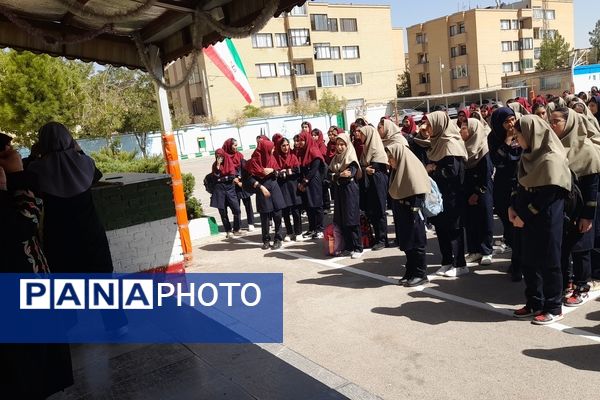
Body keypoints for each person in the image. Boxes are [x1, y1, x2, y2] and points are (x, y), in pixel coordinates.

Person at [0, 148, 74, 399]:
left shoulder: (41, 169)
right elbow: (25, 222)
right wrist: (17, 176)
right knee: (27, 359)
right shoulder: (80, 163)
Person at [27, 122, 113, 273]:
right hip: (91, 233)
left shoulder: (36, 169)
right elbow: (97, 175)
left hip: (59, 237)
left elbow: (22, 176)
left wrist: (33, 155)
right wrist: (79, 151)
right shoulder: (85, 163)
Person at [510, 115, 571, 325]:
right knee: (528, 261)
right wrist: (512, 207)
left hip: (546, 218)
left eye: (519, 134)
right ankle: (534, 301)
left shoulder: (551, 157)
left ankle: (553, 307)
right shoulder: (528, 156)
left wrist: (524, 215)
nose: (516, 139)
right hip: (526, 217)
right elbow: (518, 184)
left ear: (531, 134)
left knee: (549, 262)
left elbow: (549, 194)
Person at [549, 107, 600, 306]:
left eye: (556, 121)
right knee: (563, 247)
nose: (552, 125)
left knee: (580, 249)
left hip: (580, 207)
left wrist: (588, 215)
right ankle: (566, 282)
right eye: (550, 121)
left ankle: (582, 286)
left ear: (569, 123)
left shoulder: (586, 149)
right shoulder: (553, 146)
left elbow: (592, 186)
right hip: (562, 208)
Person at [420, 111, 469, 277]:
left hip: (452, 195)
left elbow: (453, 172)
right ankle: (447, 262)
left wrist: (433, 169)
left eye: (430, 124)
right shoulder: (436, 143)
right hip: (439, 197)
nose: (426, 128)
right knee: (441, 229)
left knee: (454, 229)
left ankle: (460, 264)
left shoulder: (450, 143)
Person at [385, 142, 431, 286]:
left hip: (412, 212)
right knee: (407, 243)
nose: (389, 161)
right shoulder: (397, 170)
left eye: (391, 158)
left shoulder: (411, 169)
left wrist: (414, 212)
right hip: (401, 211)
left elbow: (418, 192)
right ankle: (410, 271)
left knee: (416, 243)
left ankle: (421, 273)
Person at [489, 107, 523, 281]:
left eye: (512, 119)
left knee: (519, 226)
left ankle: (518, 264)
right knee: (508, 225)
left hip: (521, 183)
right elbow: (497, 159)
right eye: (506, 121)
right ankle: (516, 259)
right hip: (503, 186)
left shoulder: (522, 132)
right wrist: (508, 140)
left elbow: (523, 155)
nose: (511, 124)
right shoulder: (493, 137)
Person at [460, 118, 495, 267]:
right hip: (467, 190)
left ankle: (487, 251)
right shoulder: (463, 147)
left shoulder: (483, 150)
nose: (461, 131)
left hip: (482, 189)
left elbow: (486, 174)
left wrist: (477, 193)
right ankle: (474, 250)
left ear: (473, 130)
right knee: (470, 220)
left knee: (484, 219)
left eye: (464, 128)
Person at [245, 139, 285, 250]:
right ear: (264, 149)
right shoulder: (253, 161)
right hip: (262, 189)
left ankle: (278, 238)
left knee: (277, 215)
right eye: (271, 148)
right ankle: (266, 239)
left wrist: (272, 170)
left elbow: (279, 172)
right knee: (265, 217)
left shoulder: (272, 158)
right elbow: (249, 179)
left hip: (274, 188)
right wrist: (260, 187)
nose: (273, 150)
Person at [328, 132, 363, 259]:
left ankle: (358, 247)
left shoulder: (351, 158)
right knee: (342, 220)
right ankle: (348, 247)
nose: (340, 147)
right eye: (338, 144)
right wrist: (338, 175)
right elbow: (328, 175)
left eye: (342, 144)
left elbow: (349, 174)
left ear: (347, 145)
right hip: (339, 192)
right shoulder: (335, 159)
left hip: (350, 191)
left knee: (352, 219)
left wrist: (336, 177)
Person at [357, 125, 390, 250]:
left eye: (363, 134)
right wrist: (366, 169)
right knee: (372, 211)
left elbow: (379, 167)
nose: (360, 136)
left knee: (380, 211)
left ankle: (383, 239)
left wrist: (368, 169)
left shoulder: (377, 149)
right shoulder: (366, 148)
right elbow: (364, 166)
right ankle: (377, 238)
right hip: (370, 184)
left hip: (378, 183)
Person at [295, 130, 326, 239]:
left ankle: (320, 229)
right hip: (305, 181)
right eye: (300, 140)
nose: (301, 142)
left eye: (303, 140)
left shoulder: (313, 150)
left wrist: (305, 181)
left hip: (313, 181)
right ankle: (312, 228)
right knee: (309, 206)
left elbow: (314, 168)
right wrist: (302, 182)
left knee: (317, 205)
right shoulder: (302, 152)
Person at [223, 138, 255, 232]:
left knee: (248, 204)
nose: (236, 147)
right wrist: (234, 179)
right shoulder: (225, 158)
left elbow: (244, 169)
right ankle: (238, 225)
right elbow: (225, 171)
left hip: (242, 184)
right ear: (229, 146)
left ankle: (251, 223)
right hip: (232, 185)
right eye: (234, 145)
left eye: (237, 145)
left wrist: (240, 178)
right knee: (236, 206)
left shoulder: (240, 156)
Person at [208, 148, 242, 238]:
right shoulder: (215, 165)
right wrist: (218, 167)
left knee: (236, 210)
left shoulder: (229, 163)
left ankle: (236, 229)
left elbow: (231, 176)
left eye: (220, 156)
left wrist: (221, 179)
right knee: (223, 212)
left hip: (230, 189)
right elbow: (215, 177)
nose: (219, 158)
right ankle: (228, 230)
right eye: (217, 156)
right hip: (219, 191)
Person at [274, 137, 303, 241]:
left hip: (293, 186)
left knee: (296, 210)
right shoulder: (276, 157)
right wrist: (287, 172)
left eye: (287, 145)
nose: (286, 148)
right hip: (282, 187)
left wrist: (285, 172)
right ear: (279, 147)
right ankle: (289, 232)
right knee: (285, 211)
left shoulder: (293, 156)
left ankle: (298, 232)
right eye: (283, 146)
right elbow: (276, 172)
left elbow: (297, 170)